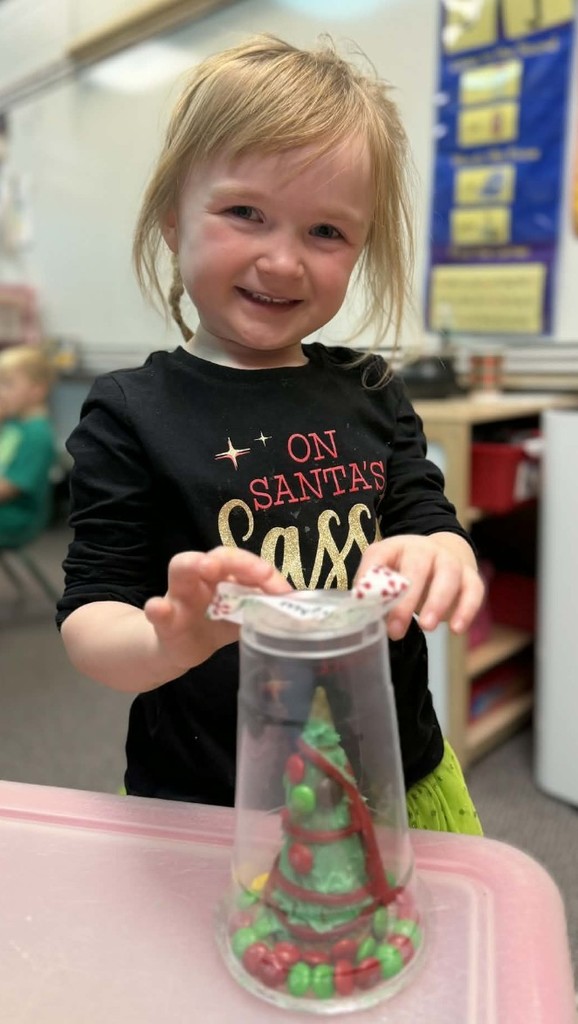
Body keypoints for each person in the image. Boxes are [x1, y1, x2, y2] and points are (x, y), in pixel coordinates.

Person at [57, 35, 484, 832]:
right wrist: (169, 644)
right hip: (207, 804)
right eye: (245, 212)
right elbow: (90, 619)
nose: (284, 262)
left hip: (389, 781)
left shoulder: (371, 389)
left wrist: (440, 556)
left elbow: (431, 524)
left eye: (327, 232)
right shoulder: (130, 411)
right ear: (169, 217)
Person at [0, 345, 56, 548]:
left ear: (37, 390)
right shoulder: (13, 423)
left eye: (7, 384)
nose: (1, 391)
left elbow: (11, 488)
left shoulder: (37, 435)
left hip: (16, 517)